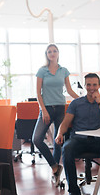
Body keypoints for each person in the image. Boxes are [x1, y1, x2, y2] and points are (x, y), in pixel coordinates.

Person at [55, 73, 100, 195]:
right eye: (89, 85)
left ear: (99, 86)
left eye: (94, 85)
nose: (92, 88)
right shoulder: (76, 103)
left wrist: (99, 102)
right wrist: (59, 133)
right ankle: (74, 193)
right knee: (66, 149)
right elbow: (65, 122)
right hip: (78, 141)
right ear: (85, 86)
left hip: (99, 141)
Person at [33, 43, 79, 186]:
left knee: (57, 140)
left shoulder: (63, 71)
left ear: (58, 53)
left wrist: (82, 100)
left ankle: (55, 174)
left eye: (54, 51)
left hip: (60, 108)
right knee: (37, 139)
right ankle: (54, 166)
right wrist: (44, 110)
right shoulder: (42, 71)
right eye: (49, 51)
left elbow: (69, 90)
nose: (52, 53)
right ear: (46, 55)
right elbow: (38, 93)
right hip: (46, 108)